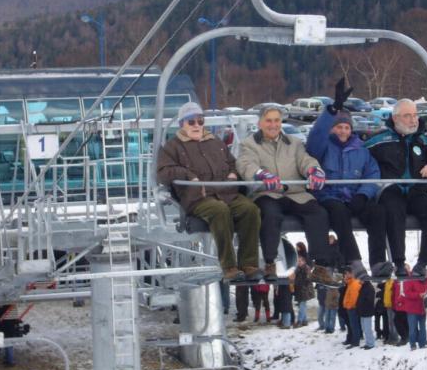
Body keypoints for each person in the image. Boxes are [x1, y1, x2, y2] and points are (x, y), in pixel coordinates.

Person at [158, 102, 262, 281]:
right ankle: (229, 267)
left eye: (200, 121)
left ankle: (249, 264)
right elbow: (163, 173)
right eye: (191, 122)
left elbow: (231, 162)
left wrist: (233, 173)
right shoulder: (172, 147)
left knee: (250, 210)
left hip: (226, 192)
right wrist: (187, 174)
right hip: (198, 197)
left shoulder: (215, 142)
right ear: (182, 124)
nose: (197, 125)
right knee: (219, 211)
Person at [306, 78, 391, 280]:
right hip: (329, 196)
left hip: (354, 196)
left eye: (346, 127)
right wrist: (333, 110)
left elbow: (372, 174)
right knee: (339, 214)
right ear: (332, 129)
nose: (343, 131)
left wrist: (363, 194)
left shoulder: (360, 150)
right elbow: (315, 135)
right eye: (339, 127)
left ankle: (378, 261)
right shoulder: (323, 146)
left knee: (377, 212)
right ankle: (354, 261)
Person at [237, 104, 331, 283]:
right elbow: (246, 163)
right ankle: (270, 262)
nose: (273, 125)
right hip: (268, 193)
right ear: (260, 123)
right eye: (269, 121)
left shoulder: (293, 143)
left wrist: (314, 170)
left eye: (277, 120)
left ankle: (320, 265)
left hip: (295, 193)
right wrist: (260, 174)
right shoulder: (249, 144)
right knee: (271, 214)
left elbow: (304, 160)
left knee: (318, 213)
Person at [365, 99, 427, 278]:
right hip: (390, 191)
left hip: (416, 192)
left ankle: (424, 262)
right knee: (393, 210)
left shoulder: (424, 142)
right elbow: (358, 158)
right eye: (407, 116)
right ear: (396, 118)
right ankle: (399, 263)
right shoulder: (379, 141)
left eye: (415, 115)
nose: (413, 120)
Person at [402, 274, 427, 350]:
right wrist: (419, 295)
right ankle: (413, 344)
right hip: (412, 309)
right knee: (412, 328)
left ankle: (423, 344)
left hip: (422, 308)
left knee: (423, 327)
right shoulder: (409, 279)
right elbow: (407, 293)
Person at [342, 268, 362, 347]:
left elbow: (354, 298)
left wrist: (350, 306)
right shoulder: (350, 283)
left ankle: (355, 342)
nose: (346, 276)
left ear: (352, 274)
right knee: (352, 325)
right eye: (345, 274)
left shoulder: (354, 284)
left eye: (347, 273)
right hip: (349, 308)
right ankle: (353, 340)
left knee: (354, 325)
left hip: (352, 308)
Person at [293, 253, 315, 327]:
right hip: (299, 289)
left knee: (302, 305)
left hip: (305, 290)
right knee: (301, 305)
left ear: (304, 261)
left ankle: (299, 321)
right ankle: (304, 320)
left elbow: (308, 279)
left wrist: (302, 284)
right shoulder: (297, 269)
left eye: (300, 261)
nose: (298, 262)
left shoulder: (306, 268)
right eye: (298, 261)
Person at [358, 280, 376, 349]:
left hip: (367, 311)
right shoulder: (363, 287)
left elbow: (370, 300)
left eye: (360, 280)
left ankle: (371, 343)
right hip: (363, 311)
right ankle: (368, 342)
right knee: (364, 328)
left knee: (367, 328)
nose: (359, 281)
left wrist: (362, 303)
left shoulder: (369, 288)